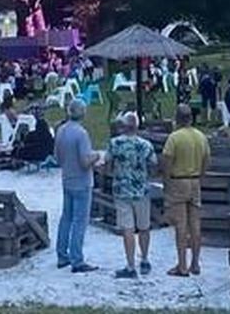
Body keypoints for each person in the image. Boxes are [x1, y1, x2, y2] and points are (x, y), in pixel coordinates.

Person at [106, 113, 157, 278]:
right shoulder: (145, 145)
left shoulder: (115, 143)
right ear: (136, 126)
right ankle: (145, 259)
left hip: (122, 190)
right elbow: (154, 164)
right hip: (141, 190)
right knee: (144, 227)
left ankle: (130, 265)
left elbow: (107, 163)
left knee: (127, 228)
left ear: (123, 126)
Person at [162, 103, 210, 277]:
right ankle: (195, 263)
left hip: (178, 181)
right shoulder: (201, 137)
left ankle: (182, 265)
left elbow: (167, 161)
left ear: (177, 118)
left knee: (181, 225)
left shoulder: (174, 138)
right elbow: (206, 159)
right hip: (195, 181)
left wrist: (167, 183)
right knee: (195, 224)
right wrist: (200, 176)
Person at [54, 99, 100, 273]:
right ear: (83, 113)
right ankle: (77, 259)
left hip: (67, 179)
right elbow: (84, 161)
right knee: (80, 221)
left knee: (66, 218)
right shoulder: (81, 134)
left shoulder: (61, 130)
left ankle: (61, 255)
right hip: (82, 182)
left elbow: (57, 158)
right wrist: (95, 156)